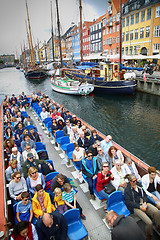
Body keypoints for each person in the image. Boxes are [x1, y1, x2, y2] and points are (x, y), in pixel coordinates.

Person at [125, 174, 160, 240]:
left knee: (156, 211)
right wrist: (139, 206)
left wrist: (145, 202)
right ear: (129, 181)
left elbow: (144, 195)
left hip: (143, 203)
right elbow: (128, 202)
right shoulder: (127, 190)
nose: (135, 182)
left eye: (136, 180)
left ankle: (158, 225)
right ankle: (149, 235)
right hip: (136, 207)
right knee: (149, 222)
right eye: (133, 181)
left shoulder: (139, 185)